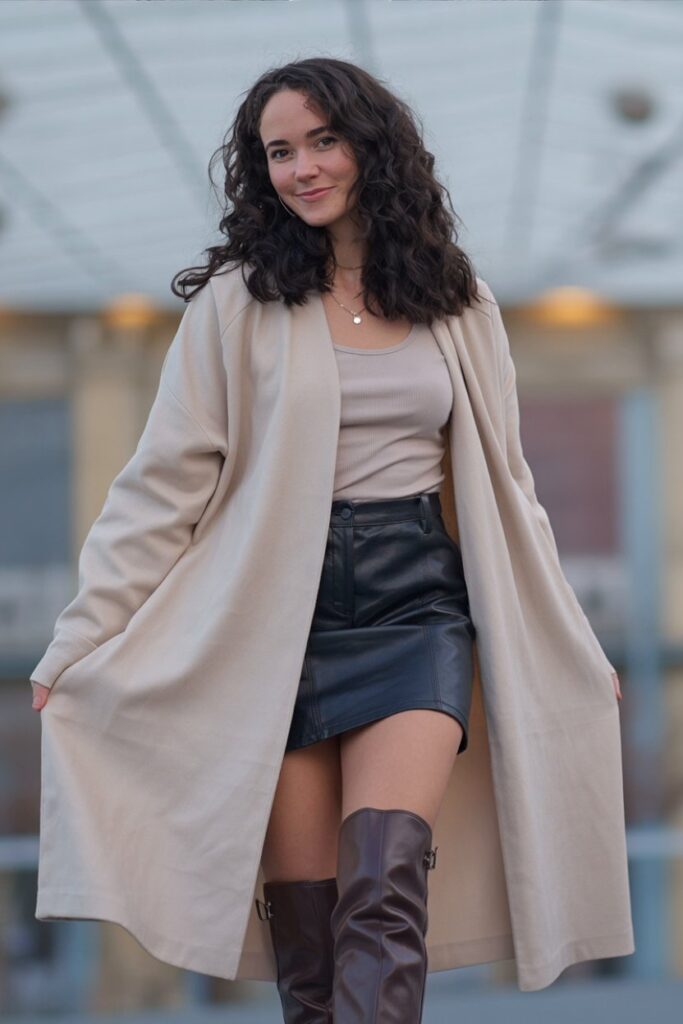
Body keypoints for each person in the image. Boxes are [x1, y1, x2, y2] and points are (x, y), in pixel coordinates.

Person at [31, 56, 624, 1023]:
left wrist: (573, 639)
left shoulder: (457, 300)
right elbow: (160, 487)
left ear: (371, 148)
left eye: (322, 141)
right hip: (273, 630)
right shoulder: (236, 304)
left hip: (418, 614)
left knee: (384, 889)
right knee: (308, 938)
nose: (301, 168)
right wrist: (79, 638)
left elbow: (510, 487)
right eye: (279, 152)